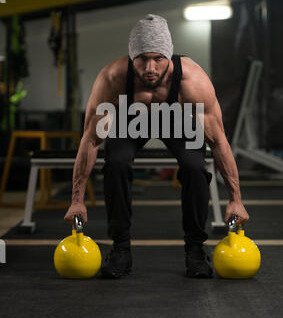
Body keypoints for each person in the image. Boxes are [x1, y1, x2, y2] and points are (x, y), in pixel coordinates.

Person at [64, 14, 249, 279]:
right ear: (132, 58)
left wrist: (236, 200)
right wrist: (76, 200)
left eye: (158, 58)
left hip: (177, 119)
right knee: (116, 162)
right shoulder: (112, 78)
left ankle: (195, 250)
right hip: (131, 118)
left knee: (195, 166)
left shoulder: (192, 81)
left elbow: (218, 141)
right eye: (142, 59)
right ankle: (120, 250)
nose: (150, 67)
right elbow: (91, 140)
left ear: (169, 56)